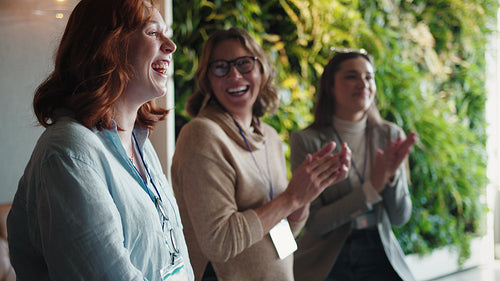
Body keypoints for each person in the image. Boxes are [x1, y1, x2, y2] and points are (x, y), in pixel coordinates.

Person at [6, 0, 194, 280]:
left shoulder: (139, 142)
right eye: (153, 33)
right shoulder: (69, 151)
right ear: (108, 44)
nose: (170, 45)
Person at [170, 27, 351, 281]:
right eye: (221, 67)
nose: (234, 74)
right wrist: (290, 198)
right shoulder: (202, 134)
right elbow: (219, 243)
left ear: (261, 70)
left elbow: (284, 231)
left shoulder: (270, 137)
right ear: (207, 79)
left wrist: (305, 197)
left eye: (244, 64)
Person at [290, 50, 417, 281]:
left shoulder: (390, 134)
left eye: (369, 77)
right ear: (330, 86)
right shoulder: (307, 141)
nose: (363, 84)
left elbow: (400, 217)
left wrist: (390, 179)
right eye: (351, 76)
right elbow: (315, 223)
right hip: (327, 257)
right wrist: (371, 189)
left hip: (379, 249)